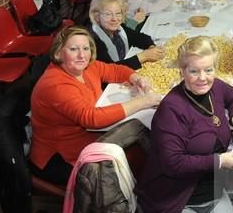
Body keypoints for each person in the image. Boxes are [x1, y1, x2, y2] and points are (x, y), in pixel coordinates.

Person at [30, 26, 161, 185]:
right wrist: (142, 102)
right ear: (58, 53)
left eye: (86, 48)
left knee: (142, 137)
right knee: (136, 144)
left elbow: (114, 70)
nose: (81, 55)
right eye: (73, 49)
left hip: (91, 136)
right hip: (62, 154)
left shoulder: (87, 66)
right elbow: (91, 118)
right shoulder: (56, 85)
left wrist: (135, 78)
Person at [135, 36, 233, 213]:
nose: (203, 78)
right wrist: (219, 161)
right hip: (179, 200)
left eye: (209, 70)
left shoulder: (215, 87)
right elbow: (173, 164)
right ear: (182, 71)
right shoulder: (171, 110)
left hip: (213, 193)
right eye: (194, 71)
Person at [88, 0, 164, 69]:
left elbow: (140, 38)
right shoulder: (92, 41)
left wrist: (151, 47)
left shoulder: (119, 28)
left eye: (118, 13)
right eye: (108, 14)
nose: (114, 19)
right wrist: (143, 56)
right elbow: (110, 70)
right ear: (96, 16)